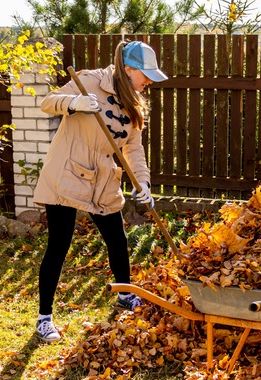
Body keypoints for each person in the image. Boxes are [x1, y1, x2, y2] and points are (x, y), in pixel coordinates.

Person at [32, 40, 169, 343]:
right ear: (128, 69)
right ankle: (44, 319)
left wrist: (142, 183)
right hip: (68, 172)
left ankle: (124, 295)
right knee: (59, 245)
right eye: (145, 74)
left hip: (104, 179)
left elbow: (133, 147)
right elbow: (47, 102)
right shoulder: (89, 81)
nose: (148, 81)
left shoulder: (133, 100)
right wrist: (74, 103)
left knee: (117, 240)